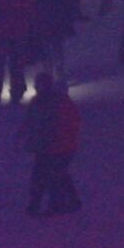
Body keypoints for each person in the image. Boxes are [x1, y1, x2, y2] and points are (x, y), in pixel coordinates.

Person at [20, 69, 81, 217]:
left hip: (57, 147)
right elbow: (30, 121)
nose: (37, 87)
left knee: (51, 176)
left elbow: (65, 126)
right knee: (51, 175)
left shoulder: (57, 103)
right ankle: (44, 203)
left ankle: (54, 205)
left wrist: (56, 141)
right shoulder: (38, 101)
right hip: (46, 146)